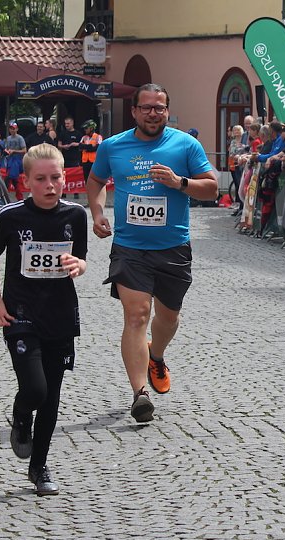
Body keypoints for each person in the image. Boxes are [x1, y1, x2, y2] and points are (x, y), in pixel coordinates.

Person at [85, 83, 217, 423]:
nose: (153, 113)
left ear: (167, 111)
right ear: (134, 111)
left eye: (159, 107)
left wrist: (179, 183)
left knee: (168, 318)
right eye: (146, 107)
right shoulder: (113, 146)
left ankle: (155, 355)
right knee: (137, 315)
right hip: (129, 248)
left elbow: (212, 188)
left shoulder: (185, 145)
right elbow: (96, 181)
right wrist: (97, 213)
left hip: (173, 247)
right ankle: (140, 393)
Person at [0, 143, 88, 496]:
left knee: (52, 396)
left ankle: (39, 467)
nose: (50, 185)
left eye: (55, 177)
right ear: (26, 181)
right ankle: (20, 412)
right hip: (21, 313)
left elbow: (81, 258)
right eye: (41, 179)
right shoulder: (11, 216)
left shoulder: (76, 215)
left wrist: (79, 265)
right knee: (35, 390)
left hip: (60, 314)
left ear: (65, 178)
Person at [4, 121, 27, 201]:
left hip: (17, 160)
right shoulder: (8, 138)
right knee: (13, 180)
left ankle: (4, 196)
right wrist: (7, 151)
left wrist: (14, 151)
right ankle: (19, 197)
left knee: (11, 177)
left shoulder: (20, 138)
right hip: (10, 159)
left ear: (17, 129)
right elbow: (6, 148)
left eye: (14, 129)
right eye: (11, 129)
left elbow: (24, 150)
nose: (12, 130)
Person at [79, 119, 103, 188]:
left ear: (91, 128)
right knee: (86, 180)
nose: (85, 130)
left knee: (94, 179)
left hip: (94, 161)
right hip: (85, 162)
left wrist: (86, 147)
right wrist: (90, 146)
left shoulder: (98, 137)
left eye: (86, 128)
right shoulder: (84, 137)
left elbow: (97, 148)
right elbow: (80, 146)